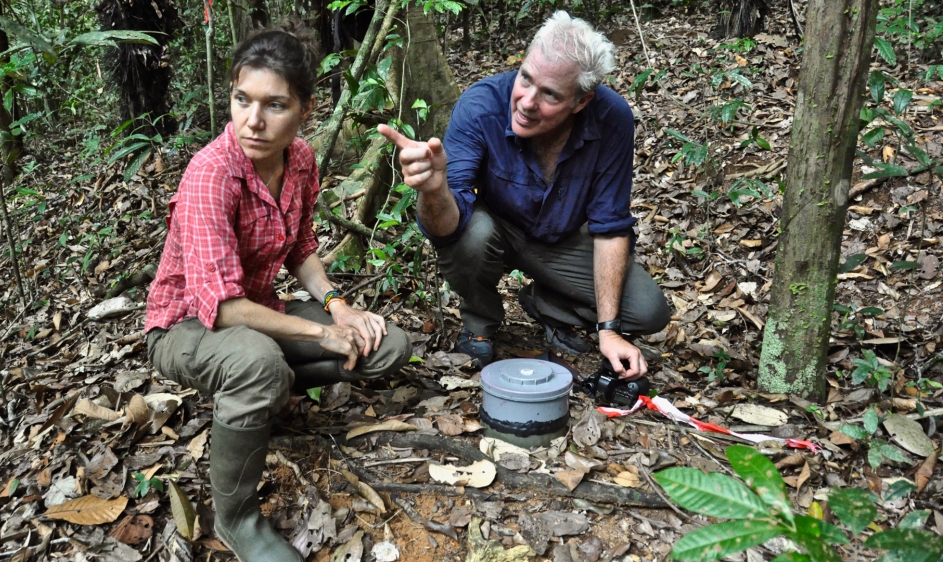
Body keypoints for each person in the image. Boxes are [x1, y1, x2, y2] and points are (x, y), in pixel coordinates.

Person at [144, 26, 411, 562]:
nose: (253, 120)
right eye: (242, 100)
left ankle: (269, 386)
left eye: (275, 105)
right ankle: (236, 517)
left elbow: (300, 248)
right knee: (260, 365)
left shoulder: (301, 160)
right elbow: (221, 308)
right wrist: (322, 332)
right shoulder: (210, 174)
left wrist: (341, 307)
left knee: (387, 344)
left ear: (305, 110)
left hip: (257, 314)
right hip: (186, 325)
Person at [378, 11, 669, 379]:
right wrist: (434, 190)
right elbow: (445, 231)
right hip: (493, 229)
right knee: (473, 236)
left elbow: (610, 225)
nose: (527, 102)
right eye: (526, 79)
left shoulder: (611, 118)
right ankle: (480, 321)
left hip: (561, 238)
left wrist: (608, 330)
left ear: (580, 102)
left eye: (549, 94)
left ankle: (546, 304)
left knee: (648, 310)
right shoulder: (481, 105)